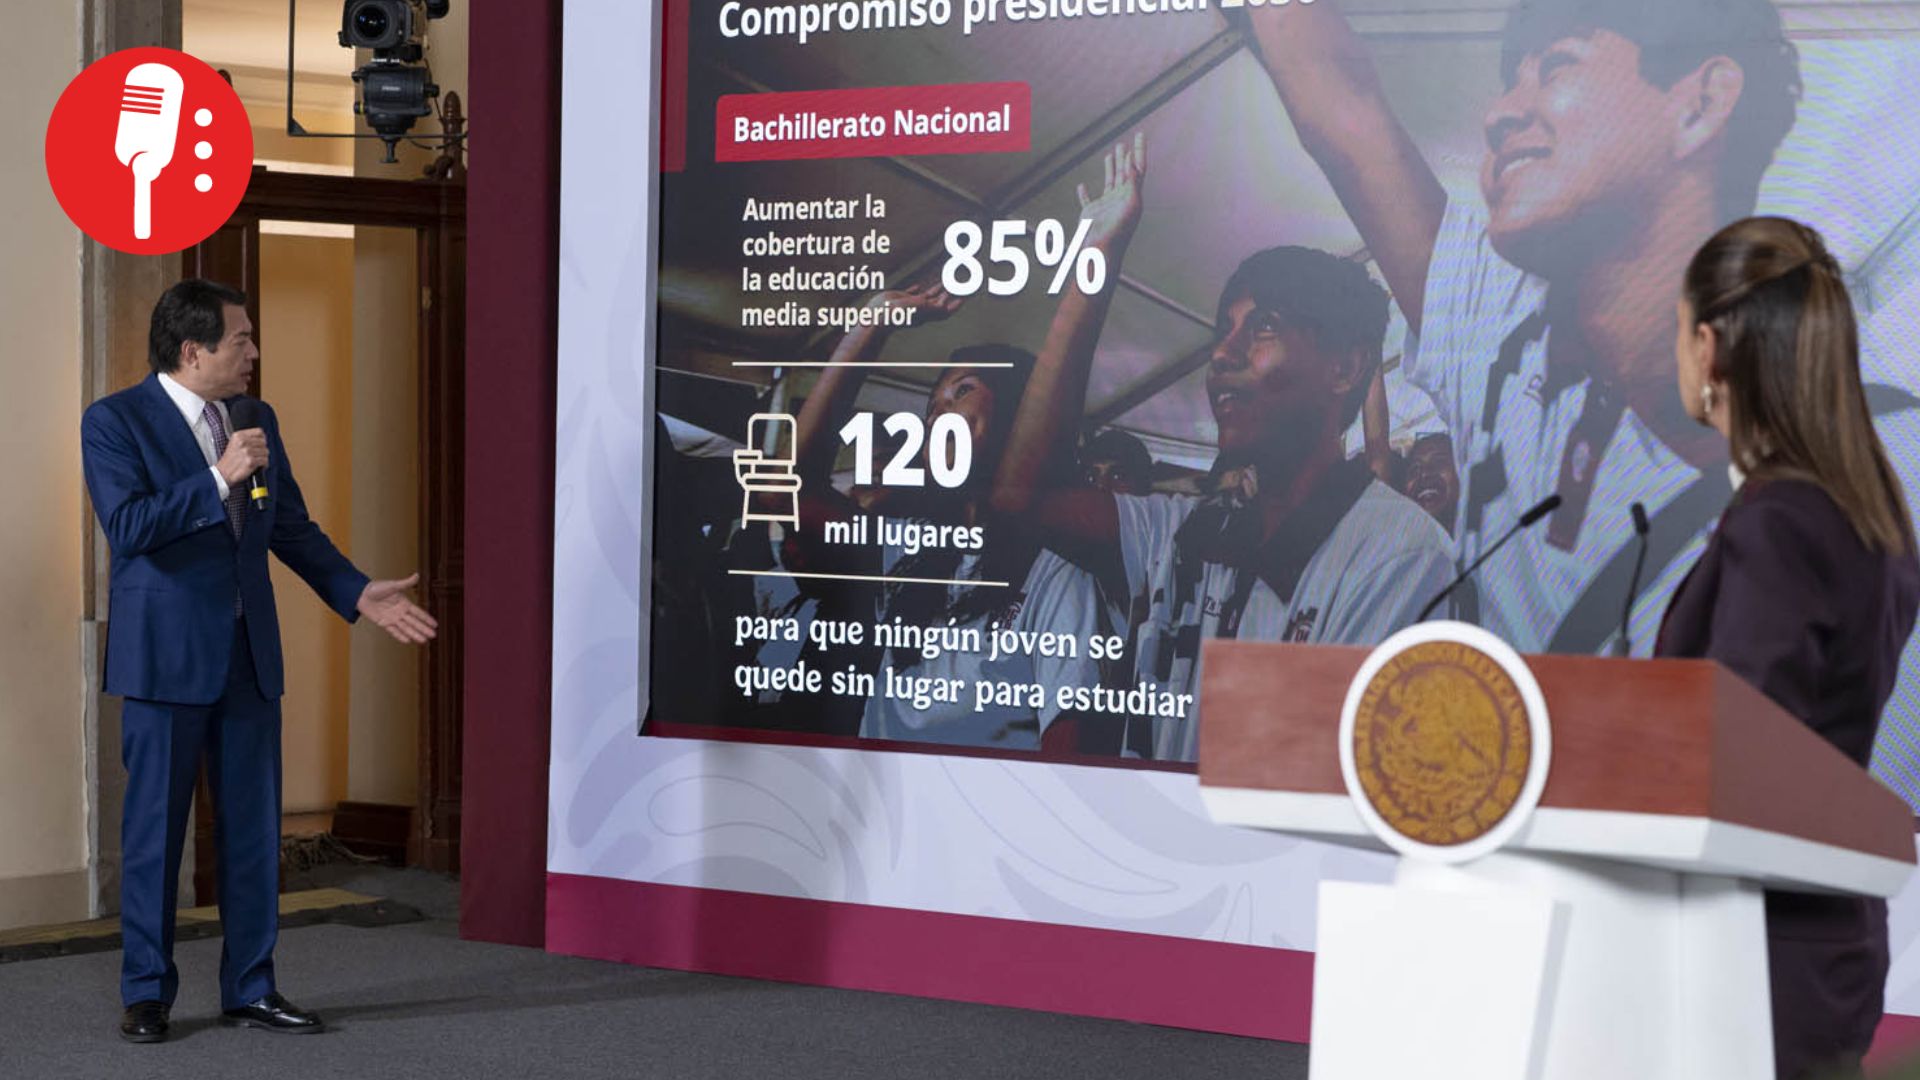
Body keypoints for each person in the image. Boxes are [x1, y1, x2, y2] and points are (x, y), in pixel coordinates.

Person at [1236, 0, 1802, 656]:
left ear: (1700, 103)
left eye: (1557, 66)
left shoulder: (1841, 453)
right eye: (1512, 79)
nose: (1498, 113)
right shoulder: (1501, 327)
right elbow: (1340, 107)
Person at [992, 137, 1453, 763]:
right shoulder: (1189, 532)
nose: (1221, 354)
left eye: (1262, 327)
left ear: (1345, 369)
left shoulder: (1401, 557)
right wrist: (1095, 262)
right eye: (1222, 331)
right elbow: (1022, 497)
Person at [81, 280, 438, 1043]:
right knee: (154, 837)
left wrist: (355, 590)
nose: (253, 352)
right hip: (164, 664)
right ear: (192, 350)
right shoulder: (114, 421)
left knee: (251, 837)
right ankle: (147, 995)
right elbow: (130, 527)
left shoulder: (254, 417)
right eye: (241, 339)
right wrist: (217, 477)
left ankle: (251, 988)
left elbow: (290, 527)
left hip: (248, 659)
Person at [1658, 218, 1918, 1080]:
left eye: (1677, 331)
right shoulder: (1864, 516)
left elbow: (1737, 758)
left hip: (1753, 965)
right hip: (1810, 954)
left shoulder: (1780, 522)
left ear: (1708, 348)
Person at [782, 289, 1106, 751]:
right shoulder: (908, 547)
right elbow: (786, 491)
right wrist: (869, 327)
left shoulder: (1053, 571)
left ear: (1020, 416)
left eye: (963, 390)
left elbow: (1067, 750)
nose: (939, 413)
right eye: (932, 406)